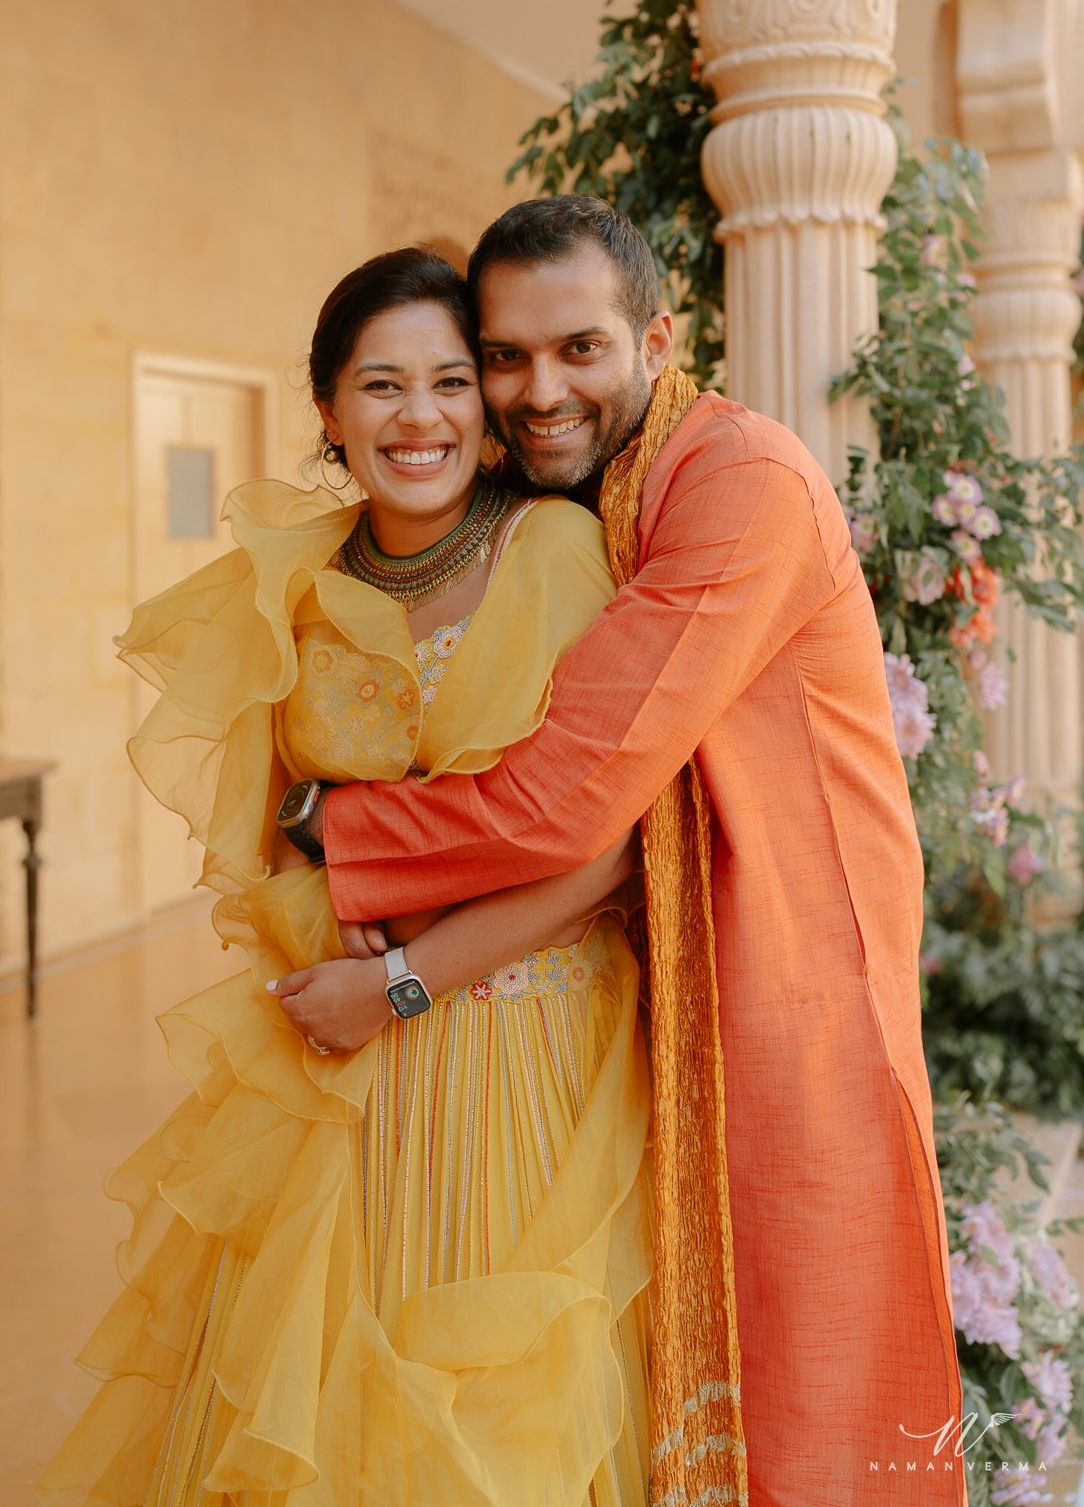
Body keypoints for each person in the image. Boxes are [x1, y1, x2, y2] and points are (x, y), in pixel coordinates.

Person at [280, 195, 969, 1507]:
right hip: (654, 984)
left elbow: (566, 803)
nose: (540, 390)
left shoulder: (739, 481)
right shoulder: (595, 492)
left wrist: (339, 829)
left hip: (793, 972)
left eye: (580, 349)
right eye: (508, 356)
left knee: (805, 1356)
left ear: (657, 339)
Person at [33, 246, 661, 1507]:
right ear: (325, 407)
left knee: (484, 1412)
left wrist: (406, 982)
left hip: (520, 1047)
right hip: (338, 1069)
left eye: (446, 381)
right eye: (380, 386)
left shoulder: (551, 549)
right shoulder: (299, 584)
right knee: (305, 1406)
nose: (417, 417)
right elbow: (272, 821)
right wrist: (333, 908)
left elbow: (598, 847)